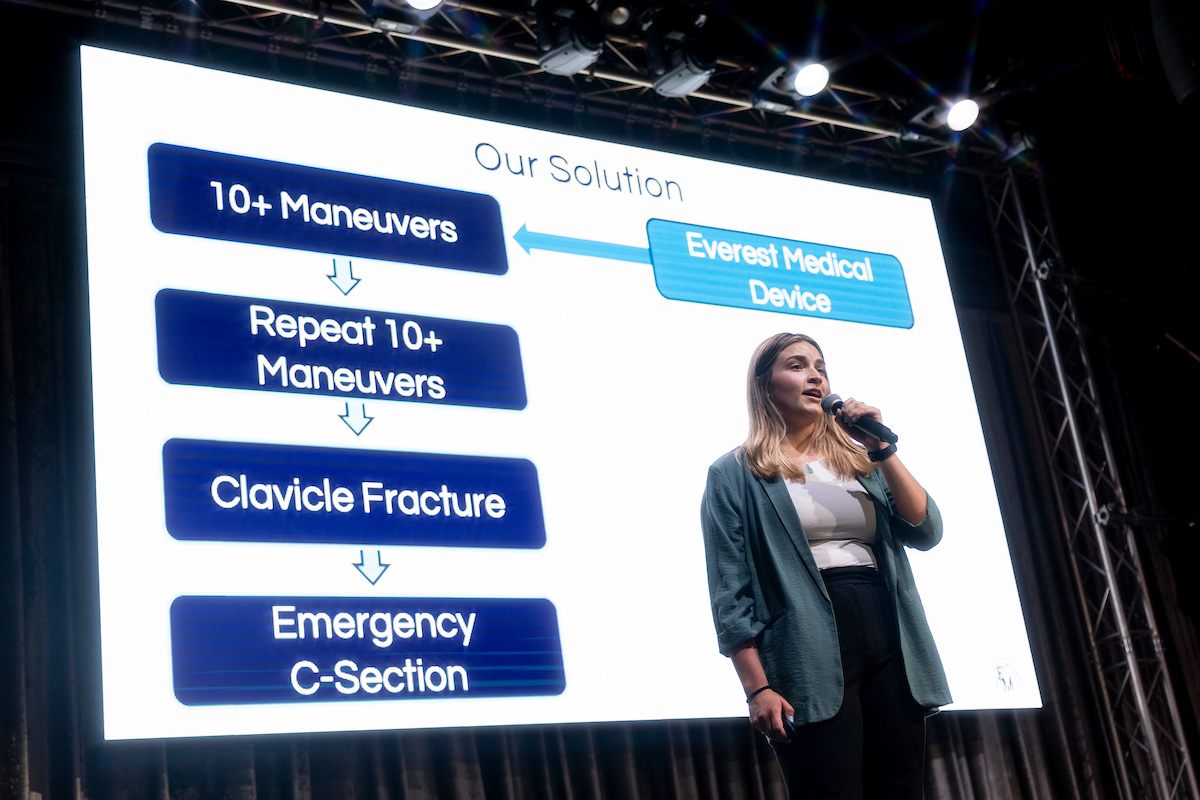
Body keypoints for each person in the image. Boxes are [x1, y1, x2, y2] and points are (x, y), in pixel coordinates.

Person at [701, 332, 951, 800]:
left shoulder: (861, 461)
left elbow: (926, 529)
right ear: (764, 385)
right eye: (796, 366)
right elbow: (729, 592)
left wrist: (882, 448)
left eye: (820, 367)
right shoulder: (734, 473)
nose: (815, 375)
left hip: (887, 631)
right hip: (804, 646)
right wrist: (757, 689)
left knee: (900, 789)